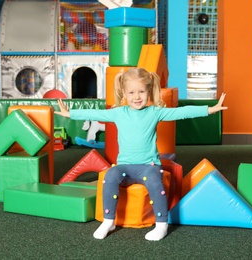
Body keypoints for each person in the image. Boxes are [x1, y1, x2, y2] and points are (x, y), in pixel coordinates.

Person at [54, 67, 228, 241]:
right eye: (131, 92)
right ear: (124, 93)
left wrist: (210, 109)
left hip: (148, 166)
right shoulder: (119, 113)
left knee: (154, 180)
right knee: (110, 175)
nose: (137, 97)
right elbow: (94, 113)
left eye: (141, 92)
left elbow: (181, 112)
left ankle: (162, 225)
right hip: (124, 166)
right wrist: (70, 114)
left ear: (149, 91)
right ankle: (109, 221)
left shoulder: (154, 112)